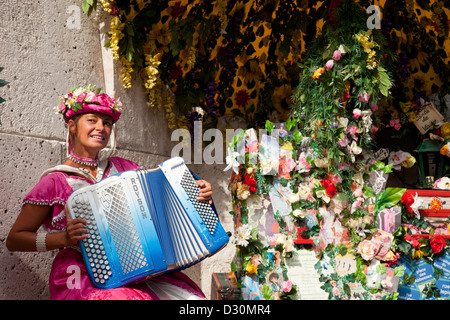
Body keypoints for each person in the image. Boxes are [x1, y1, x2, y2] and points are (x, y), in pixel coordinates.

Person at [6, 85, 213, 300]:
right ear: (72, 126)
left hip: (143, 267)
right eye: (92, 120)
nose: (101, 128)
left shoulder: (125, 167)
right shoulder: (55, 182)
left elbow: (162, 201)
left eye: (107, 123)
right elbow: (15, 239)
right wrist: (64, 238)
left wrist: (193, 190)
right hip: (81, 274)